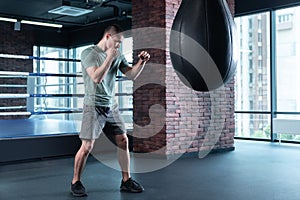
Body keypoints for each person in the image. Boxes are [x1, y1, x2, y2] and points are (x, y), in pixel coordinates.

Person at [71, 24, 150, 197]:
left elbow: (131, 75)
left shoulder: (117, 54)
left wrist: (141, 63)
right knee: (87, 146)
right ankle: (75, 181)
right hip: (93, 105)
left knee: (123, 141)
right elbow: (97, 78)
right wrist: (109, 57)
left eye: (120, 43)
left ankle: (126, 180)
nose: (118, 46)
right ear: (107, 37)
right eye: (117, 42)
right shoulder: (89, 53)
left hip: (111, 106)